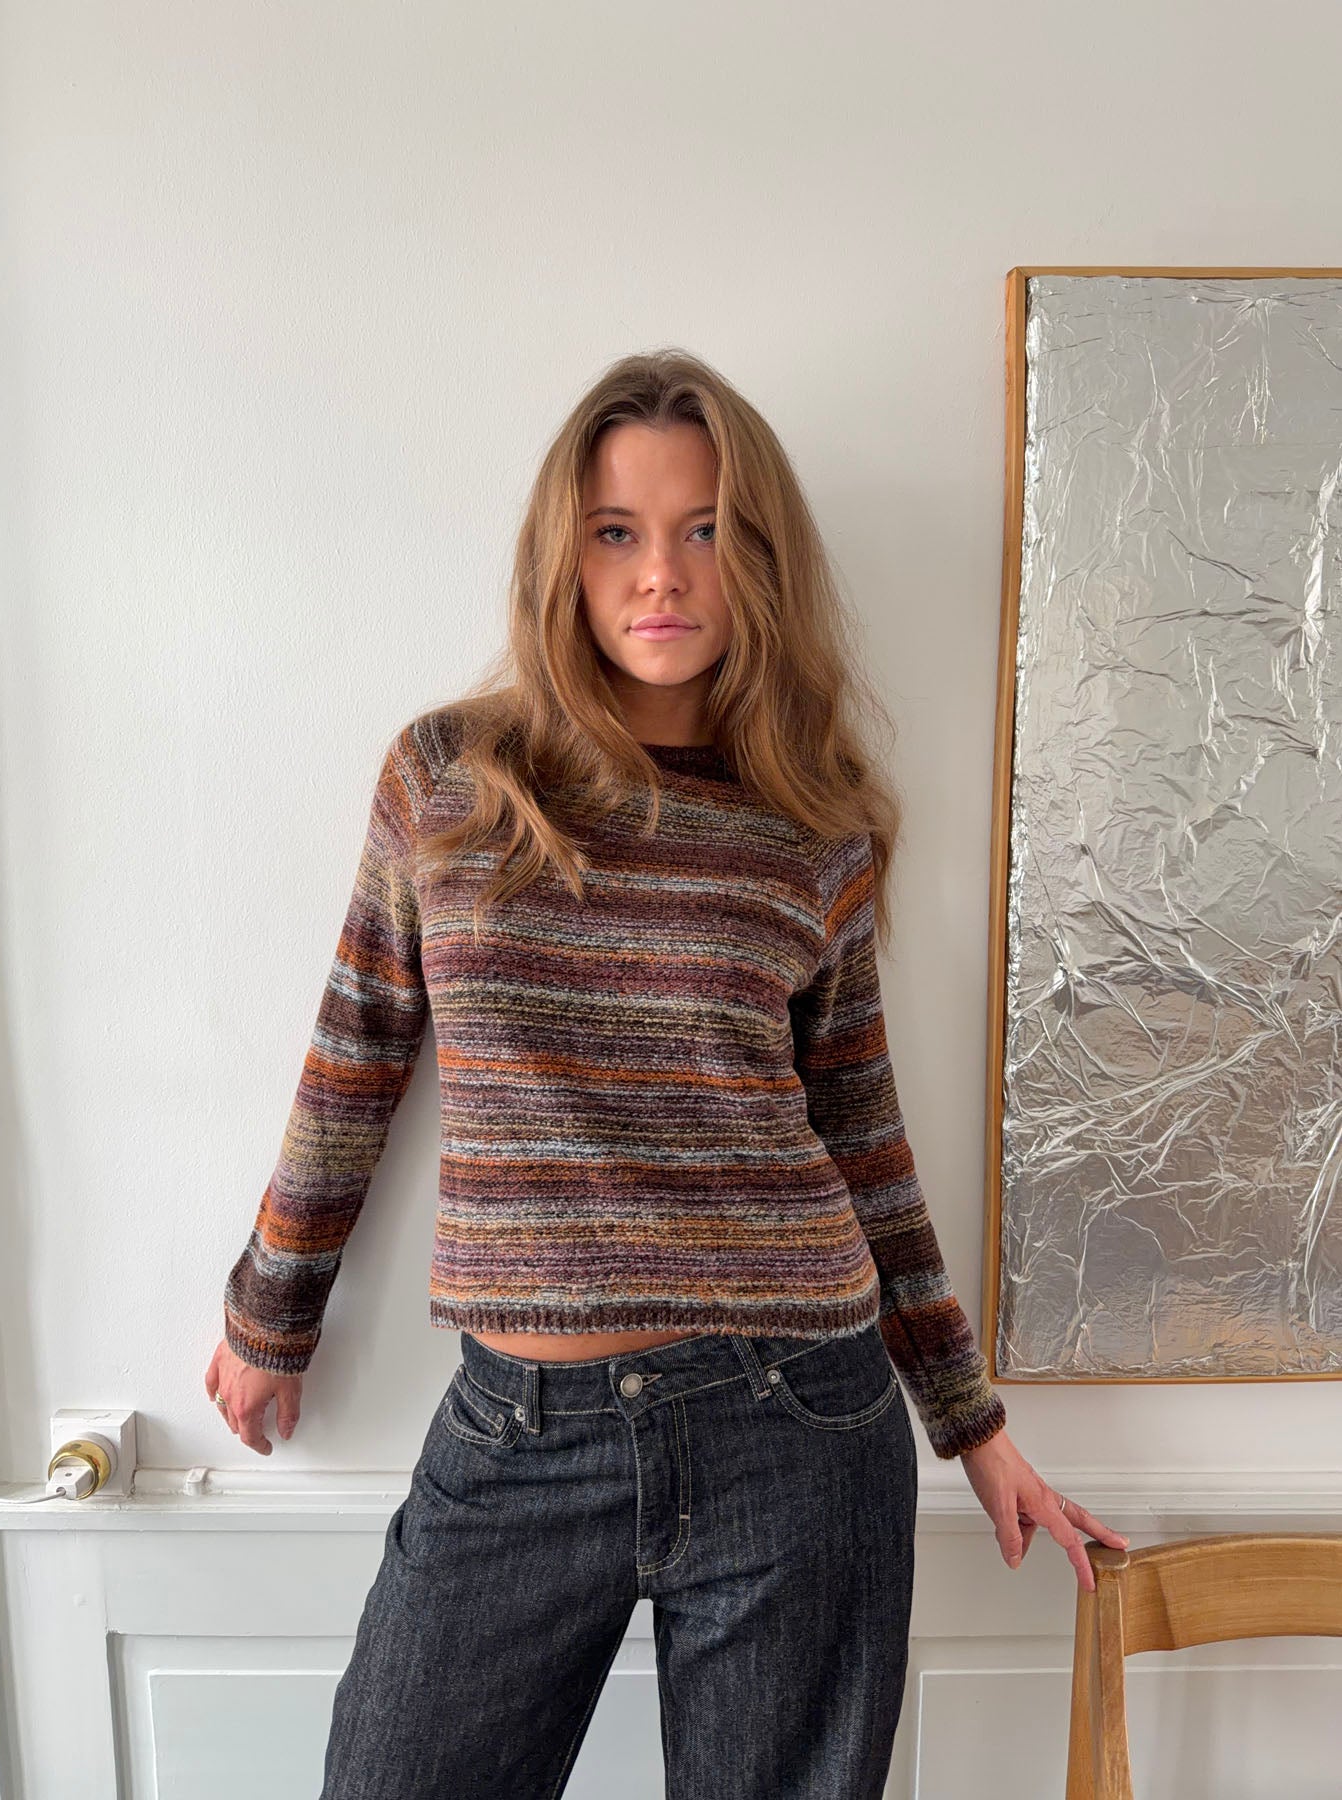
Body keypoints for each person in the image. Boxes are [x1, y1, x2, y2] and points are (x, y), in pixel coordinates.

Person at [206, 348, 1128, 1799]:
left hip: (797, 1418)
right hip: (518, 1429)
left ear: (760, 559)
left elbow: (862, 1135)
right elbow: (357, 1047)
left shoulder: (811, 823)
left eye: (706, 530)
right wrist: (273, 1312)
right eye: (616, 532)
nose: (662, 575)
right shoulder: (449, 779)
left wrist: (972, 1424)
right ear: (561, 559)